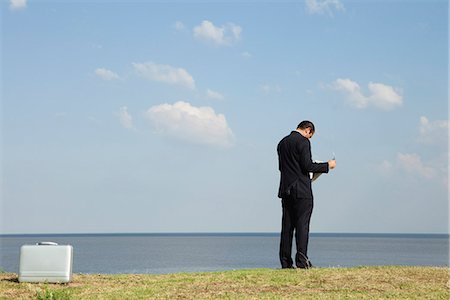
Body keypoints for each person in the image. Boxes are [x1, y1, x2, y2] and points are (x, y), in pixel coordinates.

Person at [277, 120, 336, 269]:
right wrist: (327, 165)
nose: (309, 139)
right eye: (310, 136)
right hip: (302, 190)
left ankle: (286, 262)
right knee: (302, 226)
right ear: (308, 130)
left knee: (287, 227)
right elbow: (307, 166)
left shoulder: (282, 143)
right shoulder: (303, 142)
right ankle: (302, 261)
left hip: (286, 189)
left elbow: (282, 168)